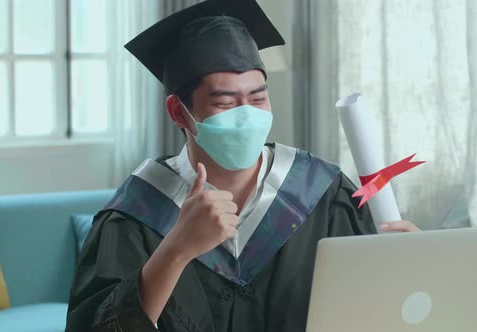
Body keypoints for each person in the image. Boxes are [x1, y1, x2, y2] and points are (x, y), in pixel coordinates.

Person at [66, 0, 420, 331]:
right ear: (178, 112)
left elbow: (375, 307)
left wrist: (417, 266)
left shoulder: (321, 191)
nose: (247, 114)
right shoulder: (136, 213)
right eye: (225, 102)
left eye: (257, 97)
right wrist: (176, 249)